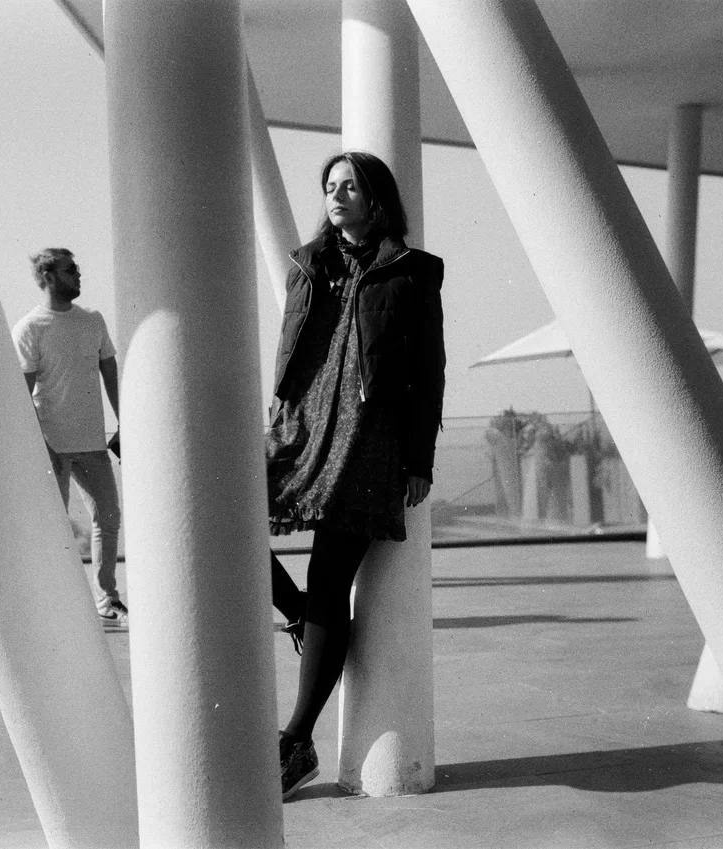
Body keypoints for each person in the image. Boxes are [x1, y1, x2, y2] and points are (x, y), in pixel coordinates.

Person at [266, 152, 445, 799]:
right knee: (220, 523)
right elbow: (291, 348)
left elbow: (429, 373)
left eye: (350, 186)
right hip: (300, 429)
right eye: (331, 186)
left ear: (376, 198)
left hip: (367, 443)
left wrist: (419, 458)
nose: (337, 195)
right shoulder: (307, 264)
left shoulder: (413, 273)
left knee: (329, 576)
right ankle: (297, 614)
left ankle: (296, 739)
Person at [12, 248, 128, 625]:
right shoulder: (30, 328)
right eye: (69, 270)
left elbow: (110, 372)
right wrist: (38, 446)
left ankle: (106, 598)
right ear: (47, 277)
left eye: (77, 268)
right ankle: (56, 603)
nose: (78, 275)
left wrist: (125, 422)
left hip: (92, 442)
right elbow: (21, 392)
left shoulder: (92, 321)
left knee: (108, 517)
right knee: (54, 528)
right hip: (52, 446)